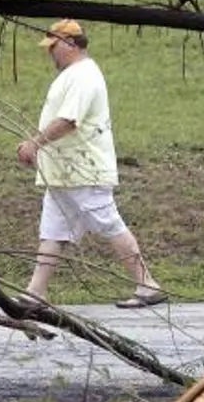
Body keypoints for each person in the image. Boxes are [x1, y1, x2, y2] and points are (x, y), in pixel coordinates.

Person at [14, 19, 168, 309]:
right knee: (52, 232)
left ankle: (147, 284)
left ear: (71, 43)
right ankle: (35, 293)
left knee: (109, 224)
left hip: (83, 171)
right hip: (64, 172)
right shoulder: (74, 74)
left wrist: (35, 143)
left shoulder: (84, 75)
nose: (50, 53)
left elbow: (69, 121)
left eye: (54, 46)